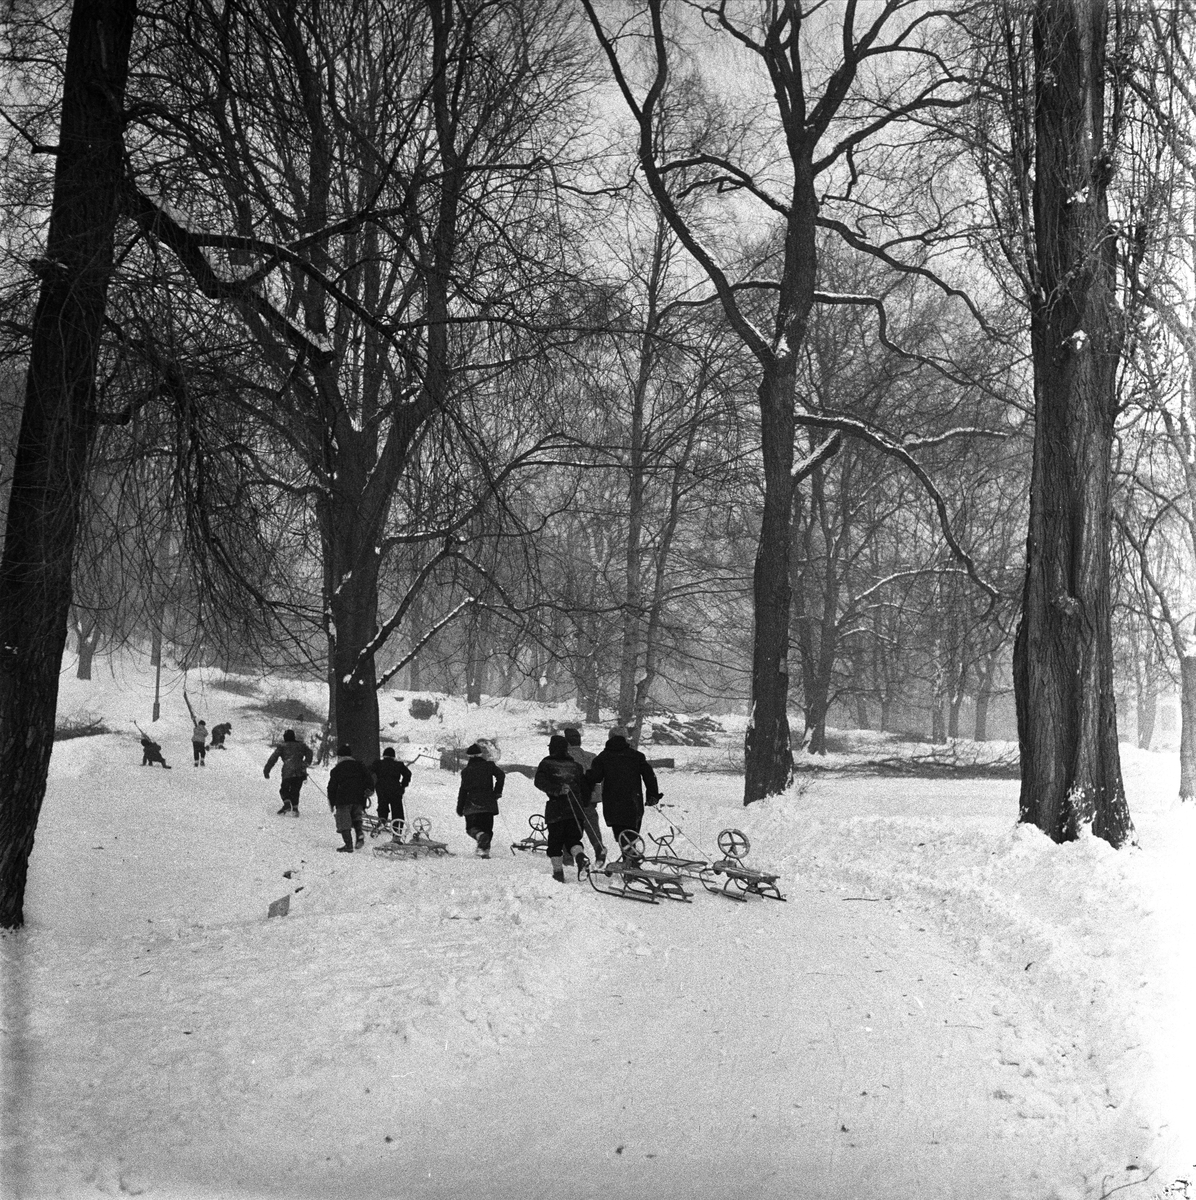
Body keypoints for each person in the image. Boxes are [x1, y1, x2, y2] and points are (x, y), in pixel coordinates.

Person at [584, 726, 661, 860]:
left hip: (613, 803)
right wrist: (652, 795)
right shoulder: (636, 756)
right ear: (625, 738)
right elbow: (649, 775)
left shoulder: (603, 757)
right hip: (633, 802)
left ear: (609, 737)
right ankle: (630, 862)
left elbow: (594, 777)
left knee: (621, 835)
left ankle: (630, 863)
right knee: (631, 834)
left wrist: (582, 783)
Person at [533, 734, 590, 883]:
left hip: (556, 809)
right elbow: (585, 788)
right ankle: (580, 857)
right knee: (573, 839)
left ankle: (558, 873)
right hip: (576, 809)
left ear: (551, 748)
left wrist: (556, 790)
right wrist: (584, 804)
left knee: (555, 843)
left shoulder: (546, 764)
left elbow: (539, 782)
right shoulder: (576, 766)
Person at [563, 726, 606, 868]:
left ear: (567, 742)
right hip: (590, 800)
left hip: (571, 800)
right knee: (592, 826)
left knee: (570, 830)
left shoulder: (564, 758)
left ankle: (568, 860)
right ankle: (599, 848)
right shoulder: (591, 756)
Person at [456, 743, 505, 858]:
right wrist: (497, 792)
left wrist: (460, 807)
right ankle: (484, 851)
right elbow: (501, 775)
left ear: (469, 756)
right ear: (481, 754)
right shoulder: (489, 765)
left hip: (472, 804)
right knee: (487, 828)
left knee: (472, 828)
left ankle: (480, 836)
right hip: (488, 803)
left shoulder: (467, 771)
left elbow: (463, 790)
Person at [327, 742, 374, 853]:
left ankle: (348, 845)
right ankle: (360, 835)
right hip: (359, 797)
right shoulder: (360, 766)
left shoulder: (337, 769)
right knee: (356, 817)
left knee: (344, 821)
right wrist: (369, 790)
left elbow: (332, 787)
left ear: (340, 757)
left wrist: (332, 802)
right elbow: (369, 779)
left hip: (343, 798)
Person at [264, 728, 314, 816]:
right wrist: (305, 763)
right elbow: (310, 752)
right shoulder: (301, 745)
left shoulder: (283, 746)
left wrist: (267, 770)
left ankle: (287, 804)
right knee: (295, 790)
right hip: (300, 771)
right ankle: (295, 809)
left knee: (284, 789)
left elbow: (273, 758)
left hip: (288, 771)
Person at [370, 747, 412, 827]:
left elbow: (369, 772)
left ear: (384, 755)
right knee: (397, 810)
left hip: (381, 788)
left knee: (382, 805)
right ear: (393, 756)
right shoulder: (399, 764)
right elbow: (408, 774)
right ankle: (397, 830)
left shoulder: (378, 763)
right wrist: (403, 785)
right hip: (395, 789)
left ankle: (382, 820)